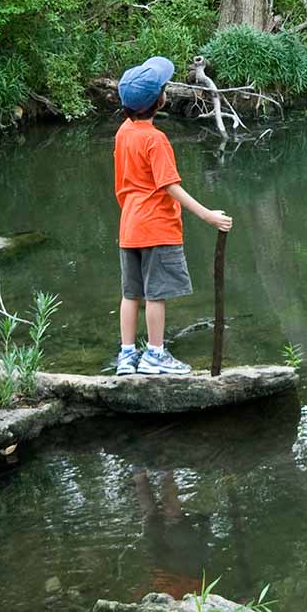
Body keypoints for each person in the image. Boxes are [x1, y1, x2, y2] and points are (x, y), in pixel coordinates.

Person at [112, 56, 233, 375]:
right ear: (160, 100)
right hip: (155, 227)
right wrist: (208, 216)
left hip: (129, 227)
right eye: (163, 88)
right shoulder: (155, 140)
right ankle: (154, 354)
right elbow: (170, 186)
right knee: (156, 295)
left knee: (131, 294)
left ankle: (126, 356)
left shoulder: (124, 132)